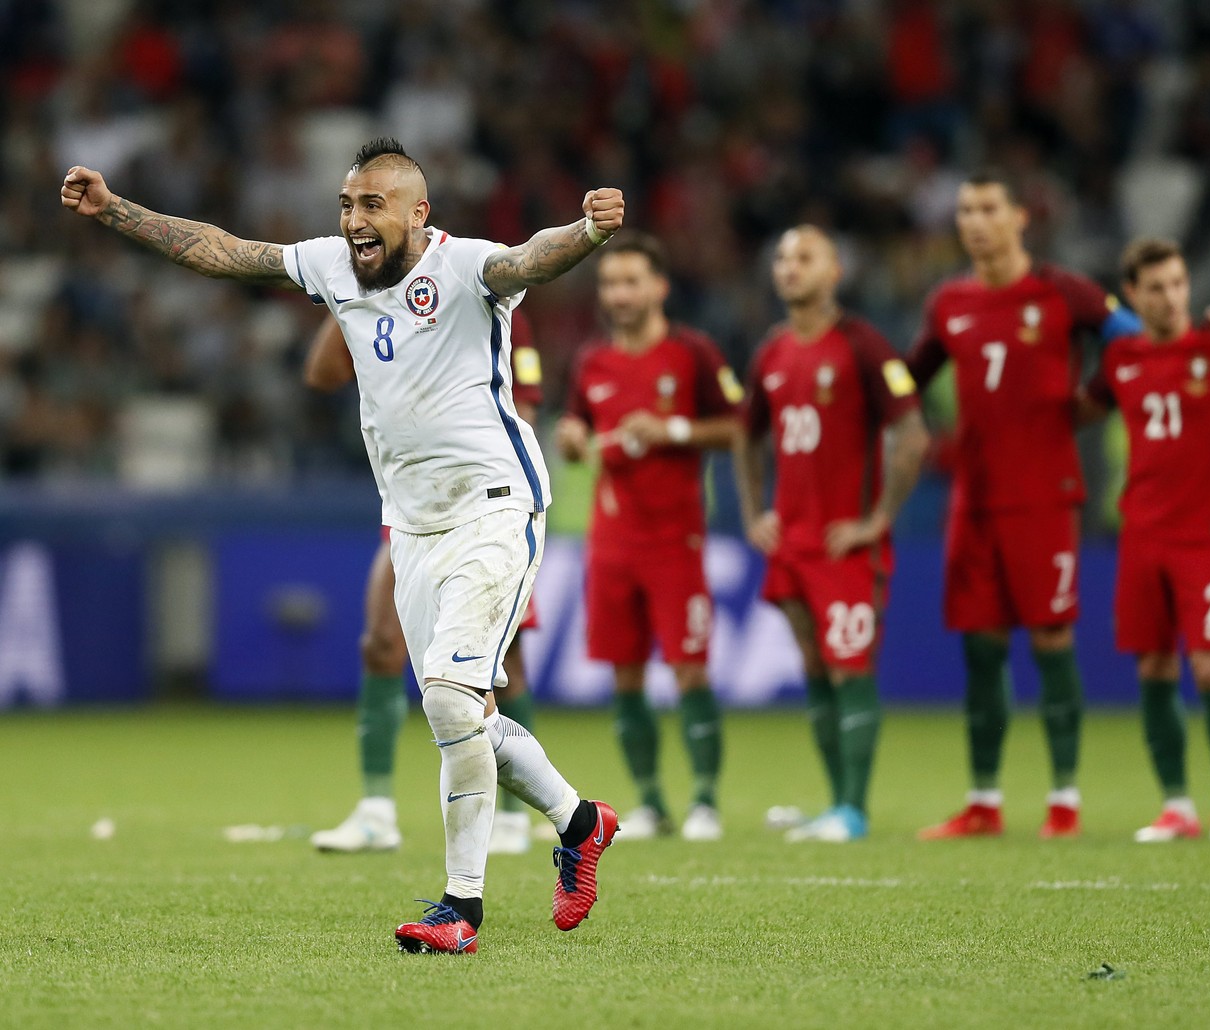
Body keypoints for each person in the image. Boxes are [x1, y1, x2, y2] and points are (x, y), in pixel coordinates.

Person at [62, 137, 622, 951]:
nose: (354, 222)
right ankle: (580, 822)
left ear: (418, 215)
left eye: (372, 207)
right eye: (346, 205)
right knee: (465, 712)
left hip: (496, 506)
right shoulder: (332, 265)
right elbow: (223, 252)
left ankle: (460, 910)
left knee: (448, 700)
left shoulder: (466, 267)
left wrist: (588, 233)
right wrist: (115, 210)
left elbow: (530, 260)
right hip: (412, 522)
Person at [907, 169, 1141, 840]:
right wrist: (908, 420)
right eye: (964, 211)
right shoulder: (949, 303)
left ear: (1019, 219)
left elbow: (1128, 338)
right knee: (982, 649)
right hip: (973, 501)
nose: (974, 221)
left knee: (1050, 638)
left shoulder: (1063, 292)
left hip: (1043, 497)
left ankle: (1064, 800)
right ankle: (983, 801)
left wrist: (1094, 400)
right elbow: (907, 376)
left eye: (987, 208)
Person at [303, 311, 548, 856]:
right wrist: (337, 295)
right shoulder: (368, 300)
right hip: (412, 509)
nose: (359, 225)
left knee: (503, 666)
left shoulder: (481, 293)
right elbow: (322, 376)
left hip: (485, 505)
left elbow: (522, 408)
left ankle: (513, 815)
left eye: (371, 216)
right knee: (381, 644)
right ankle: (376, 812)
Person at [1078, 238, 1210, 843]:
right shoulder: (1120, 360)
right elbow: (1079, 410)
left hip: (1208, 535)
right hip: (1141, 533)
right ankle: (1177, 806)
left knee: (1209, 669)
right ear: (1133, 297)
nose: (1172, 297)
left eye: (1178, 284)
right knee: (1152, 666)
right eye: (1156, 288)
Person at [734, 226, 930, 843]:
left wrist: (878, 520)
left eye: (805, 257)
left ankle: (854, 809)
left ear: (836, 270)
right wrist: (753, 511)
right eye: (784, 257)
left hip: (846, 544)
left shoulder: (864, 345)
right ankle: (836, 806)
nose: (790, 267)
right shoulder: (771, 351)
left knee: (850, 668)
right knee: (817, 670)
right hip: (791, 544)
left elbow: (913, 434)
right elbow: (745, 433)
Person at [554, 233, 743, 841]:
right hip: (611, 542)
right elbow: (575, 424)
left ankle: (707, 802)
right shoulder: (593, 362)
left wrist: (673, 430)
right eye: (611, 284)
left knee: (690, 669)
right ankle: (654, 804)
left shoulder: (694, 354)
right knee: (626, 673)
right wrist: (572, 437)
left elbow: (737, 427)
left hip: (676, 540)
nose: (620, 294)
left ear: (660, 287)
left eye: (632, 281)